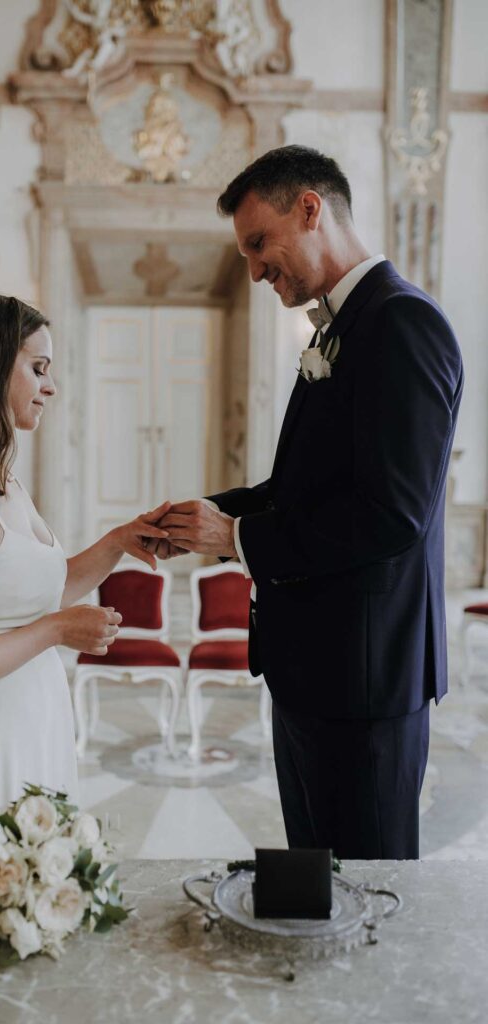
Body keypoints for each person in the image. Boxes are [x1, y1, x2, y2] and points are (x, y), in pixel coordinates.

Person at [152, 145, 463, 859]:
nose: (255, 269)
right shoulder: (336, 330)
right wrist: (202, 518)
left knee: (370, 898)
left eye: (259, 243)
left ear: (311, 209)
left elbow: (392, 512)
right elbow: (299, 491)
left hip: (367, 684)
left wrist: (237, 536)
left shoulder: (402, 323)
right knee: (319, 886)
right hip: (313, 674)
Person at [0, 291, 169, 858]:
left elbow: (31, 594)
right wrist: (56, 631)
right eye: (38, 368)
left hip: (32, 717)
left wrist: (118, 542)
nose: (50, 387)